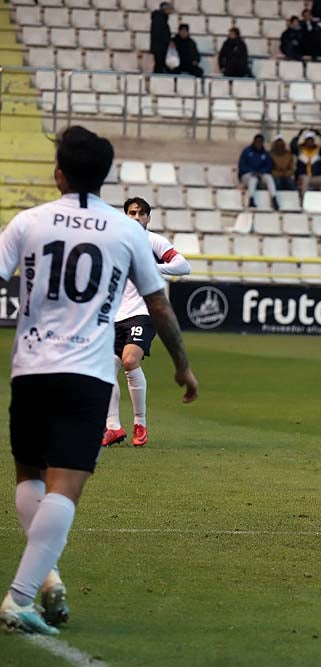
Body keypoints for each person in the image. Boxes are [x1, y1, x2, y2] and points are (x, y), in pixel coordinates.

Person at [0, 126, 197, 636]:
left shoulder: (27, 221)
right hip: (86, 371)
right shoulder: (126, 230)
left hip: (31, 367)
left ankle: (45, 580)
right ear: (107, 176)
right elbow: (158, 305)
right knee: (66, 485)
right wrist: (181, 364)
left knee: (30, 476)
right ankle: (22, 594)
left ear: (58, 173)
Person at [103, 198, 193, 448]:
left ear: (148, 218)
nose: (136, 217)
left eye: (141, 213)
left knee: (130, 360)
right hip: (114, 316)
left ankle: (140, 423)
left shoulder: (154, 241)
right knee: (105, 371)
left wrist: (151, 267)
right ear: (125, 216)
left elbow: (184, 266)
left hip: (143, 311)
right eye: (132, 213)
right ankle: (112, 427)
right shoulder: (115, 243)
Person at [238, 134, 279, 208]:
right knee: (253, 179)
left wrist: (262, 172)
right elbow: (242, 166)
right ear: (254, 142)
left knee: (269, 177)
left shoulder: (265, 154)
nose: (259, 144)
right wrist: (252, 172)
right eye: (257, 142)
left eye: (261, 142)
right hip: (247, 176)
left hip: (260, 175)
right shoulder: (247, 152)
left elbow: (268, 166)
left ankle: (274, 198)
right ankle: (251, 199)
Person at [291, 129, 321, 193]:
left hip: (314, 177)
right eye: (308, 140)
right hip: (302, 177)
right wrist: (299, 134)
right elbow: (292, 145)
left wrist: (319, 134)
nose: (309, 142)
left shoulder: (317, 151)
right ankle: (304, 201)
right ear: (305, 141)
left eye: (311, 140)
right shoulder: (300, 151)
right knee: (306, 179)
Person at [150, 2, 174, 74]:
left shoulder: (161, 18)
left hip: (160, 46)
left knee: (160, 65)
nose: (170, 11)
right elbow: (159, 33)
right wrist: (168, 41)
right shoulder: (159, 18)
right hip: (159, 47)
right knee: (159, 65)